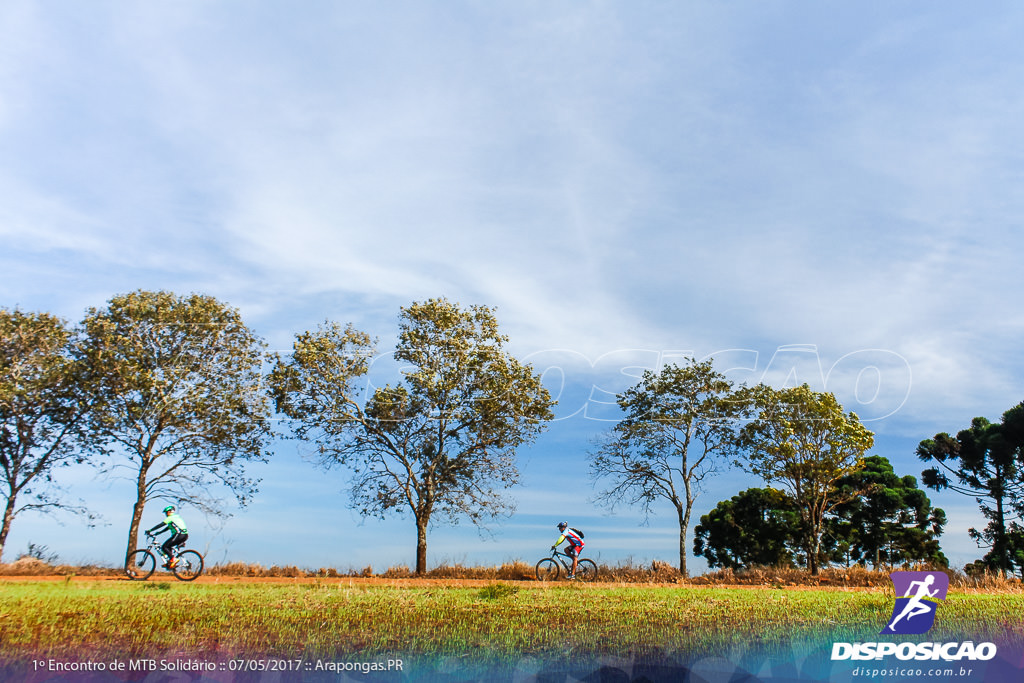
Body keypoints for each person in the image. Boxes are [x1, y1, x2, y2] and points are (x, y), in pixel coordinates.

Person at [146, 505, 189, 569]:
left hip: (179, 535)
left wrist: (150, 530)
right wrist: (159, 533)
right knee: (168, 546)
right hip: (184, 535)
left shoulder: (171, 518)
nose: (166, 514)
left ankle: (173, 559)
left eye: (166, 512)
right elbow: (168, 528)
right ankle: (170, 563)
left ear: (170, 512)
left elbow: (161, 524)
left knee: (164, 547)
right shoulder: (176, 518)